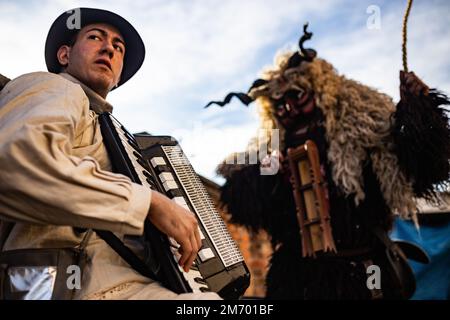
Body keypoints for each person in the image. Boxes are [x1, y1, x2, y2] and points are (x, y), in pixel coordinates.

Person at [207, 25, 449, 299]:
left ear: (321, 93)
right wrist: (272, 173)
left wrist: (420, 114)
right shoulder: (269, 153)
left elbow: (421, 169)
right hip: (296, 280)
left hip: (364, 274)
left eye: (297, 96)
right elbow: (242, 205)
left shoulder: (361, 137)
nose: (290, 110)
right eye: (279, 104)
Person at [0, 7, 220, 300]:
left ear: (117, 78)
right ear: (64, 56)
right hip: (67, 286)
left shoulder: (112, 134)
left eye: (119, 47)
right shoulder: (56, 87)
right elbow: (16, 166)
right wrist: (150, 203)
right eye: (95, 37)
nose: (109, 49)